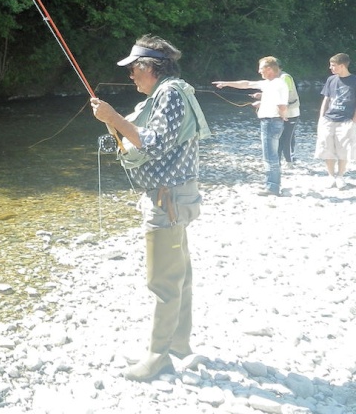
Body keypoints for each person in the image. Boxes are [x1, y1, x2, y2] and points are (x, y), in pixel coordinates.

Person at [91, 35, 210, 383]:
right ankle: (178, 345)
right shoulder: (168, 92)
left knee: (164, 282)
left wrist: (112, 116)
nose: (131, 76)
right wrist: (113, 122)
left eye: (133, 69)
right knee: (180, 277)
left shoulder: (171, 93)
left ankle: (158, 357)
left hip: (167, 201)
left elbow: (152, 142)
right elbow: (147, 134)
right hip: (172, 197)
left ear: (148, 67)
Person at [213, 56, 289, 196]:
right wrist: (226, 83)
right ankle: (273, 185)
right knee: (271, 156)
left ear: (269, 69)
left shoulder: (277, 84)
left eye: (261, 69)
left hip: (271, 122)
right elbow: (246, 84)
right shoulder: (270, 83)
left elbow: (282, 105)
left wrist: (283, 115)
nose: (259, 71)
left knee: (270, 157)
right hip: (272, 121)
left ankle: (272, 188)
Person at [315, 53, 356, 189]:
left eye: (333, 65)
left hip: (346, 121)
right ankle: (331, 176)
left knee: (343, 150)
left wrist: (354, 120)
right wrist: (321, 118)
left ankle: (340, 177)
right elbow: (326, 99)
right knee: (327, 148)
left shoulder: (354, 81)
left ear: (342, 66)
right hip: (328, 119)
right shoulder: (331, 80)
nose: (330, 68)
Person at [278, 65, 301, 164]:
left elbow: (285, 94)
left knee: (287, 137)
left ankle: (289, 161)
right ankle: (278, 161)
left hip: (291, 112)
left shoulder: (285, 77)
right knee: (280, 137)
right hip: (283, 112)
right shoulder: (276, 78)